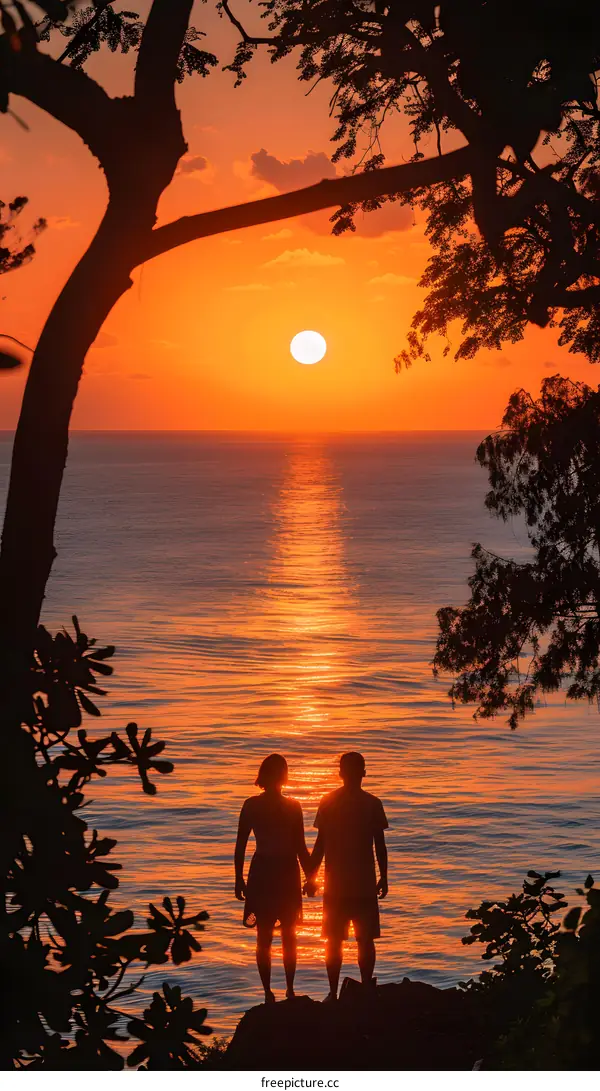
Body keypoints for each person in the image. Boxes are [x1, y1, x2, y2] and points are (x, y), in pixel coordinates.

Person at [310, 751, 389, 1001]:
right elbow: (380, 845)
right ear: (363, 773)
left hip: (337, 884)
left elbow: (319, 845)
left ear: (341, 773)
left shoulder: (329, 801)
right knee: (364, 939)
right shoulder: (372, 803)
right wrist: (384, 876)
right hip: (362, 882)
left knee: (335, 940)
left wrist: (311, 876)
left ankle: (333, 993)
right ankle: (365, 988)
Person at [235, 753, 312, 1003]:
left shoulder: (253, 805)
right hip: (283, 870)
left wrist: (238, 878)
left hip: (266, 871)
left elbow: (240, 847)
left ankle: (272, 993)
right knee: (286, 935)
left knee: (266, 935)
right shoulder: (290, 806)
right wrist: (311, 876)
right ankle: (285, 990)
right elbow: (301, 848)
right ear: (283, 776)